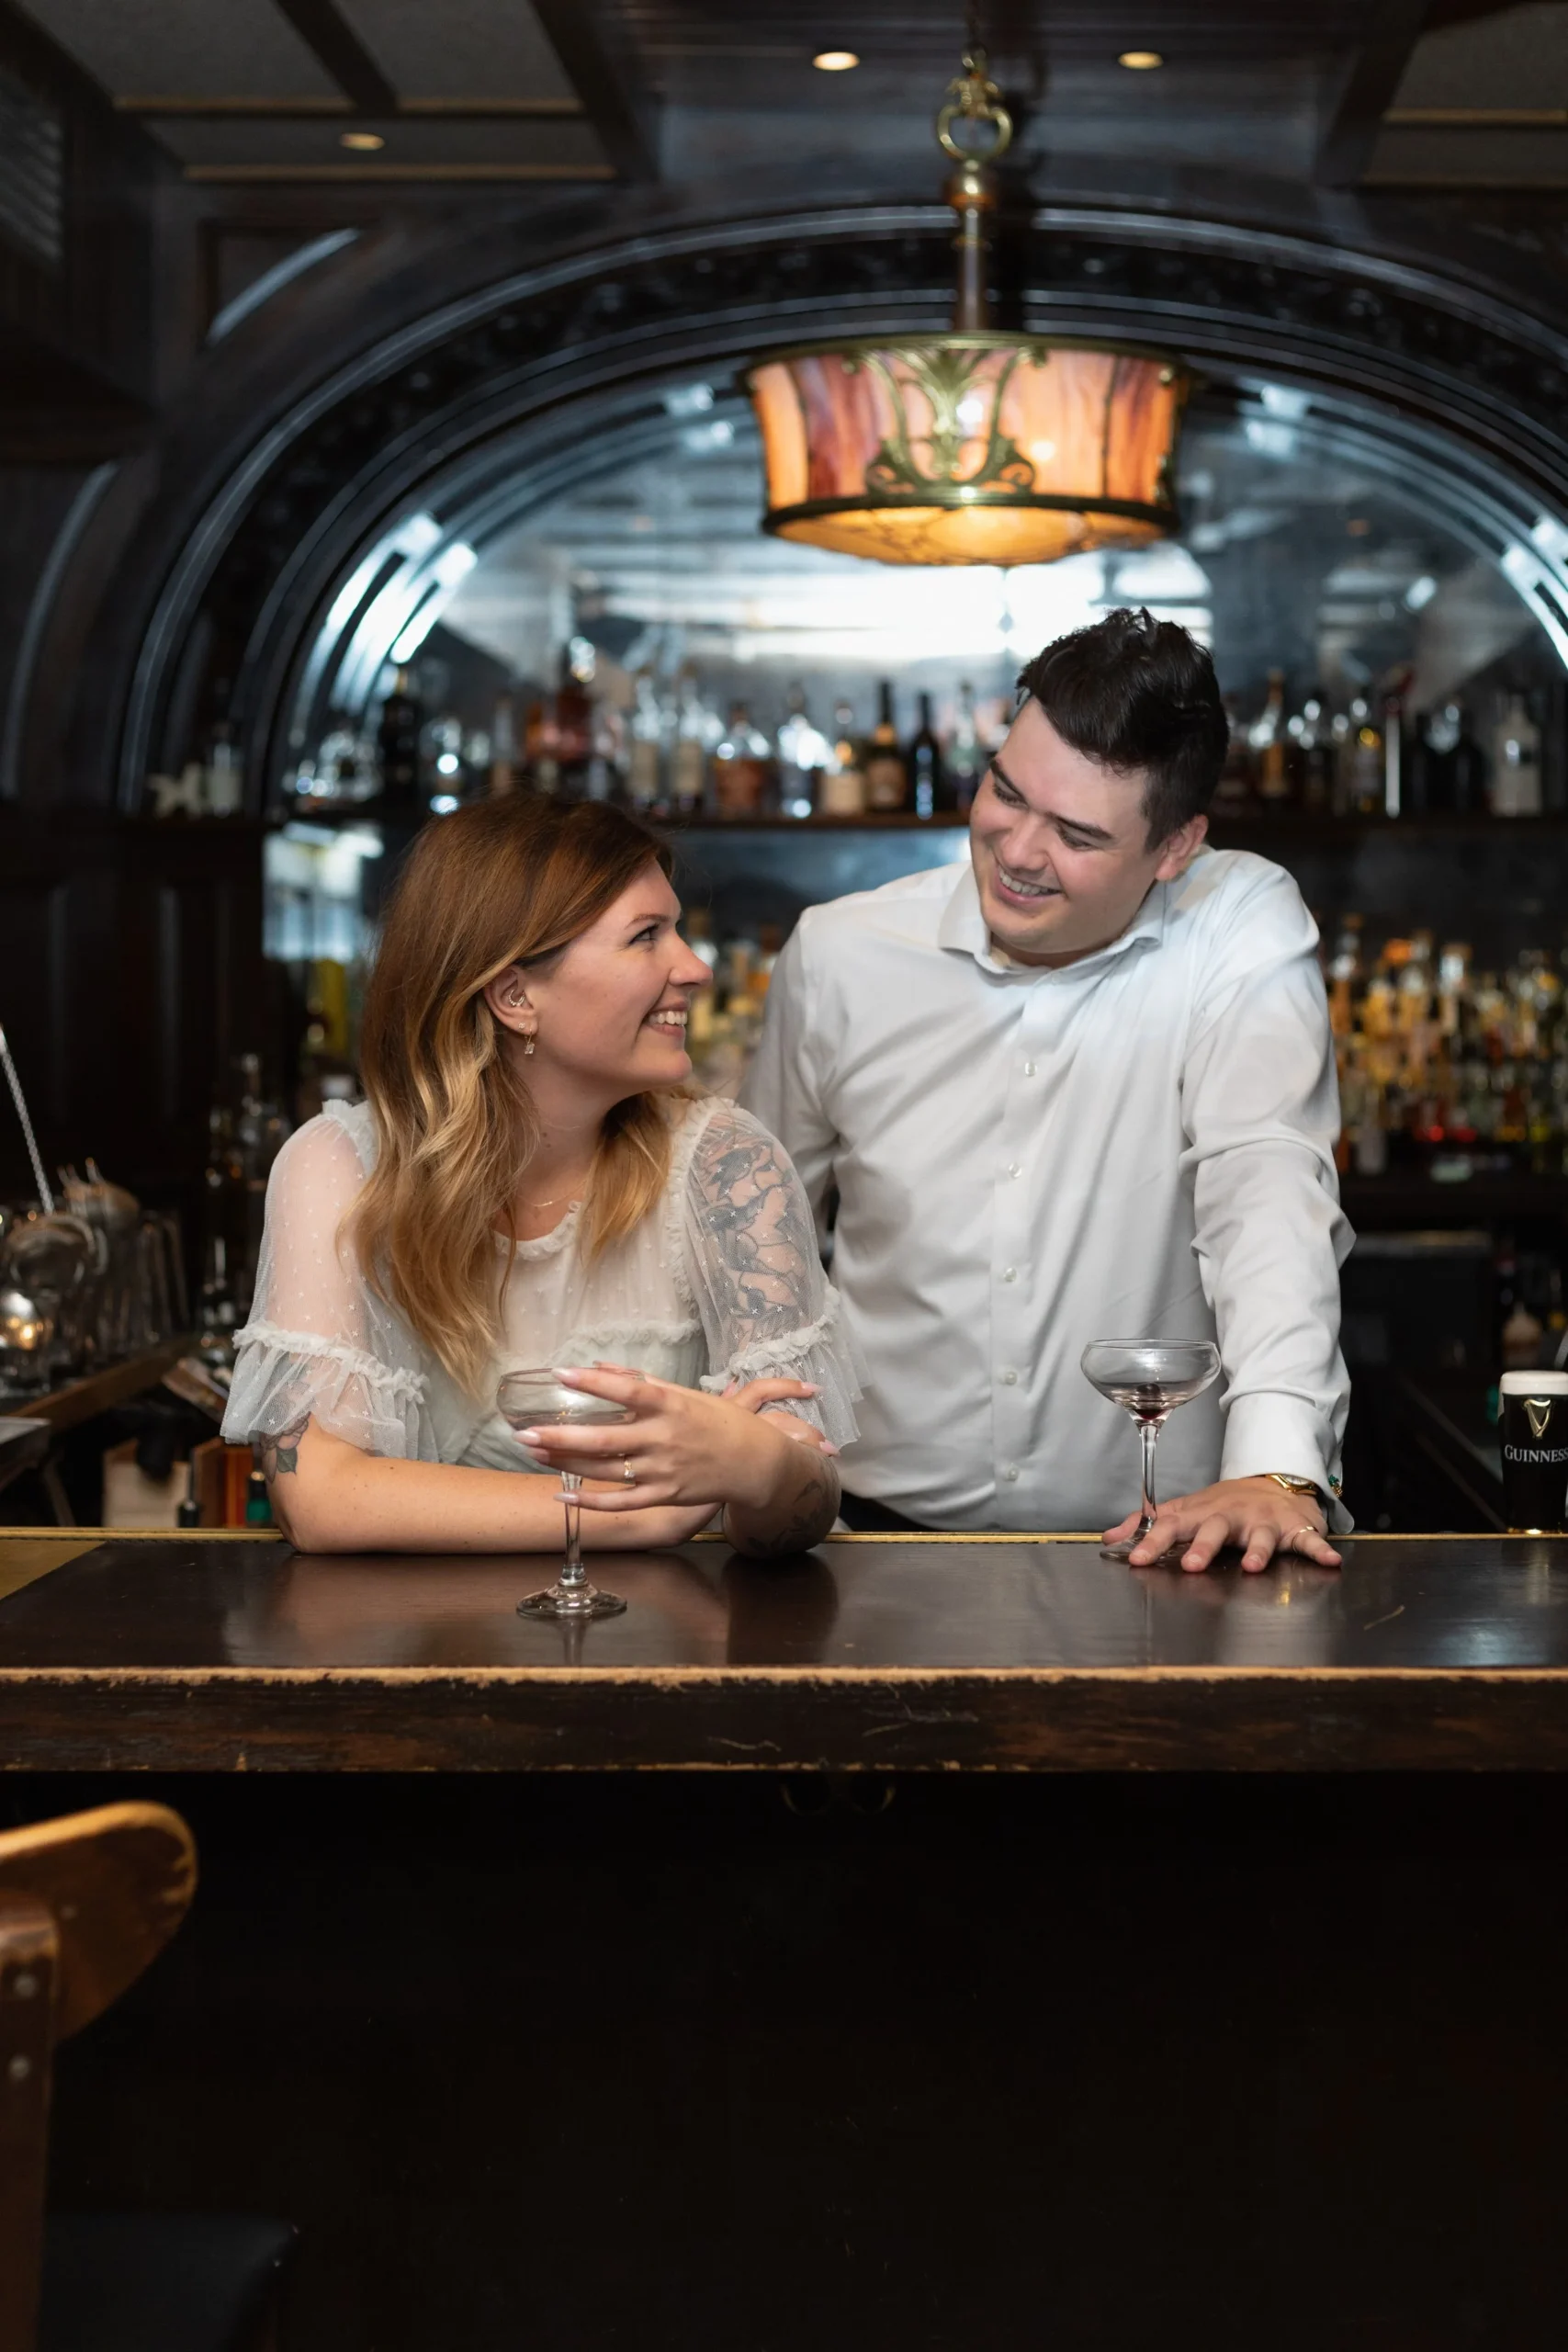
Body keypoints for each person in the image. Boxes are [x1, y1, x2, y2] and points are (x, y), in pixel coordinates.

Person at [742, 608, 1349, 1573]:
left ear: (1175, 847)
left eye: (1075, 832)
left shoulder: (1238, 924)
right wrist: (755, 1479)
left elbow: (1266, 1186)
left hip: (1157, 1543)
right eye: (1005, 792)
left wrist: (1276, 1469)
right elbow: (757, 1241)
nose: (1018, 850)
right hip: (863, 1545)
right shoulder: (840, 953)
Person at [222, 796, 856, 1555]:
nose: (693, 966)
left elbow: (806, 1498)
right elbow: (320, 1500)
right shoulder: (339, 1164)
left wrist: (756, 1469)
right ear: (515, 996)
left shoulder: (727, 1164)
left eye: (676, 930)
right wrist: (643, 1513)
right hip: (422, 1650)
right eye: (645, 937)